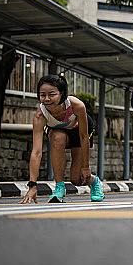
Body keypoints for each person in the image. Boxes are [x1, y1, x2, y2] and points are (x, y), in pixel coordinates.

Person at [19, 74, 104, 204]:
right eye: (42, 95)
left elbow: (83, 136)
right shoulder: (40, 115)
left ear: (62, 93)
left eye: (52, 94)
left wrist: (86, 167)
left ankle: (94, 181)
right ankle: (59, 188)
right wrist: (32, 185)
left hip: (79, 133)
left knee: (77, 179)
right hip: (59, 133)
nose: (47, 99)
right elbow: (36, 152)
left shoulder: (77, 106)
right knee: (56, 137)